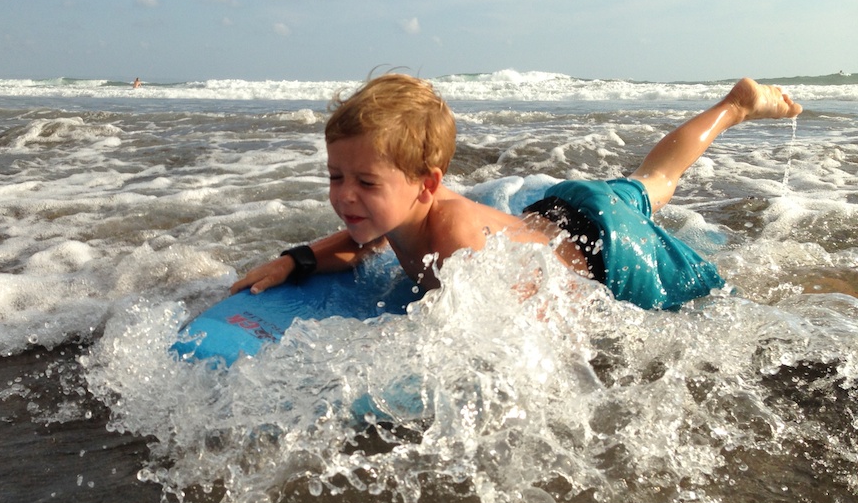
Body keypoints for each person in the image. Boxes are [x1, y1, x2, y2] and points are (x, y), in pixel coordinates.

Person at [231, 74, 802, 310]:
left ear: (426, 184)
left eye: (365, 183)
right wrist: (296, 259)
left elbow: (543, 310)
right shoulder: (398, 214)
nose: (345, 198)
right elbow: (360, 242)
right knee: (655, 181)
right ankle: (736, 105)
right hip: (560, 210)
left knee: (719, 301)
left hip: (610, 253)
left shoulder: (453, 233)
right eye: (336, 177)